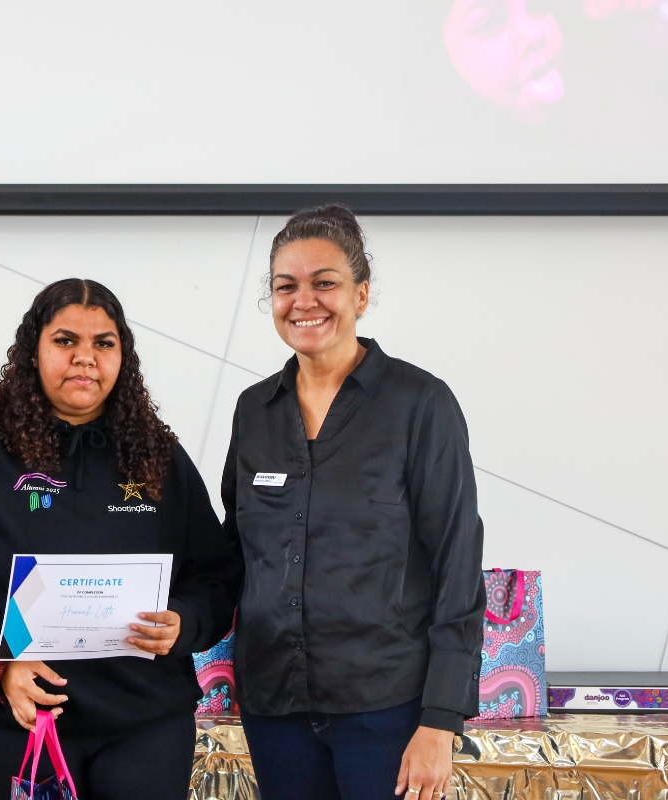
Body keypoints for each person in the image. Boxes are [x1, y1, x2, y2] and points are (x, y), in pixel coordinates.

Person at [0, 279, 242, 800]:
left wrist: (186, 621)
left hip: (146, 723)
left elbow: (216, 577)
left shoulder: (159, 457)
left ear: (122, 357)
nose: (85, 358)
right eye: (65, 341)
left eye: (103, 344)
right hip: (18, 723)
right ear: (33, 350)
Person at [222, 205, 485, 800]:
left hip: (387, 709)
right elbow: (234, 549)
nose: (304, 301)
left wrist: (441, 719)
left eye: (326, 283)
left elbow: (456, 562)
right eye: (285, 286)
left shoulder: (421, 403)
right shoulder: (253, 411)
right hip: (275, 706)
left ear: (361, 294)